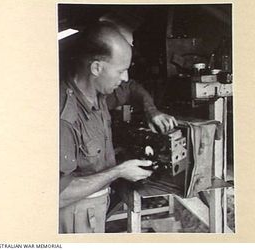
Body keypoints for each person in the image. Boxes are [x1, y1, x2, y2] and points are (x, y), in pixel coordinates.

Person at [59, 21, 177, 233]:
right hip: (73, 216)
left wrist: (151, 110)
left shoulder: (98, 92)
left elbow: (131, 88)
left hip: (95, 208)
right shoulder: (64, 117)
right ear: (97, 68)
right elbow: (57, 194)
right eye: (121, 71)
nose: (125, 77)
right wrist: (119, 171)